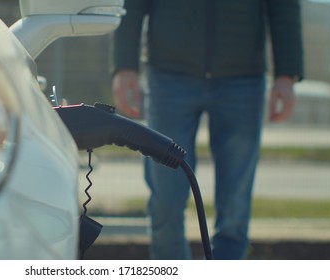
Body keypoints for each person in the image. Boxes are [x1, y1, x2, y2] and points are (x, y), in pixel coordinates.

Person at [111, 0, 303, 260]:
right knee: (165, 201)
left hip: (243, 78)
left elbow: (284, 6)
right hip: (169, 75)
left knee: (235, 208)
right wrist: (124, 64)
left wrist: (287, 73)